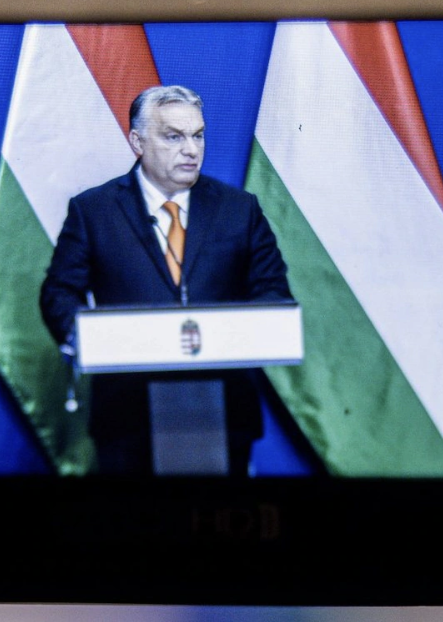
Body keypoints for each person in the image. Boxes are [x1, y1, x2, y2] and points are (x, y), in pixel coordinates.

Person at [39, 84, 292, 474]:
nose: (191, 150)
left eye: (198, 135)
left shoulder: (239, 209)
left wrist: (249, 328)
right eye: (174, 137)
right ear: (137, 142)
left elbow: (272, 290)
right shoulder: (94, 211)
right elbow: (59, 292)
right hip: (128, 416)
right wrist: (85, 337)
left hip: (223, 411)